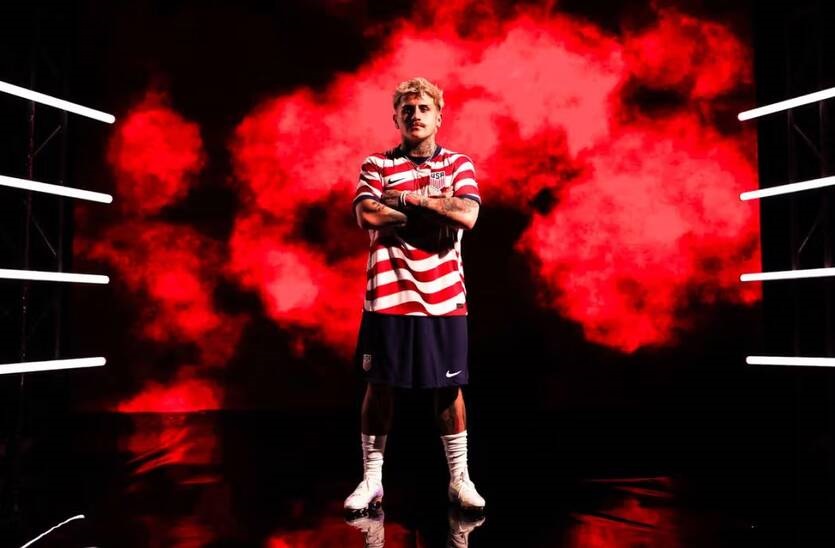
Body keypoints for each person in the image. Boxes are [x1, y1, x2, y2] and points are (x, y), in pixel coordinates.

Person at [344, 77, 485, 516]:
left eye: (424, 108)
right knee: (379, 386)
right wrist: (434, 205)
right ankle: (372, 481)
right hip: (388, 294)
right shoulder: (376, 164)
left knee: (448, 390)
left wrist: (404, 200)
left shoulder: (459, 164)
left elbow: (467, 214)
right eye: (407, 109)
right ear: (396, 118)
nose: (416, 115)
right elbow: (367, 213)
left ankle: (460, 480)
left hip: (445, 298)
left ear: (439, 116)